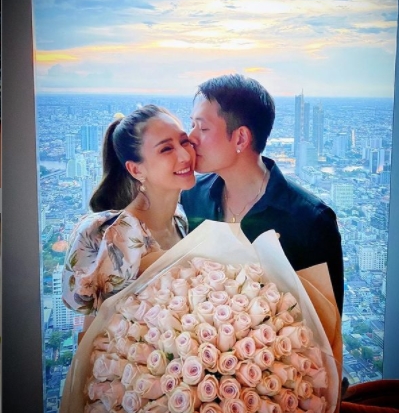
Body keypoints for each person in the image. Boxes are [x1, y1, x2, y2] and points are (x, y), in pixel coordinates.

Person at [180, 74, 344, 314]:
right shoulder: (191, 197)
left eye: (203, 128)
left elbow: (326, 322)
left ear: (241, 138)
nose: (191, 138)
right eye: (192, 125)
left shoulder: (310, 221)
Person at [62, 105, 196, 316]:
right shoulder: (113, 236)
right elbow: (94, 324)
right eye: (166, 149)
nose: (185, 155)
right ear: (136, 169)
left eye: (184, 141)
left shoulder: (179, 218)